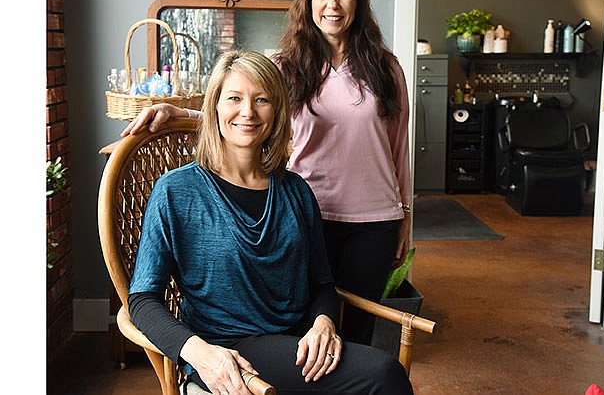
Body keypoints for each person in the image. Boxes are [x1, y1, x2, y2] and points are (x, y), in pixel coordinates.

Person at [122, 0, 412, 346]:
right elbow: (242, 115)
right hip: (307, 214)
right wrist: (179, 112)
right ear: (308, 1)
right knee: (311, 329)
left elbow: (399, 150)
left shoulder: (386, 69)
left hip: (373, 221)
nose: (332, 4)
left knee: (355, 337)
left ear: (358, 2)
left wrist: (404, 215)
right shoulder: (283, 67)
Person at [128, 50, 413, 395]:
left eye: (261, 99)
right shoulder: (176, 191)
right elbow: (143, 300)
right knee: (384, 374)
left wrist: (325, 322)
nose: (247, 111)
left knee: (381, 372)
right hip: (226, 352)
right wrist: (200, 354)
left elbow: (321, 283)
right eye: (234, 98)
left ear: (277, 112)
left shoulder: (296, 191)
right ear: (214, 106)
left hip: (297, 347)